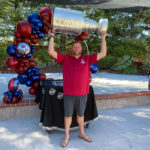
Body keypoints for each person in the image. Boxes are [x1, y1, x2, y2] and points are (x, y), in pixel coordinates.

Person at [48, 29, 107, 147]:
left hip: (83, 93)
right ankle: (66, 136)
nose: (76, 49)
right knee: (68, 115)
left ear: (81, 49)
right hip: (69, 93)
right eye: (74, 47)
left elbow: (103, 53)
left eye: (78, 47)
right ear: (72, 49)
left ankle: (81, 133)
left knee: (80, 115)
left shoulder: (87, 58)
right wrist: (52, 35)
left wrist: (103, 37)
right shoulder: (65, 59)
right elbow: (51, 51)